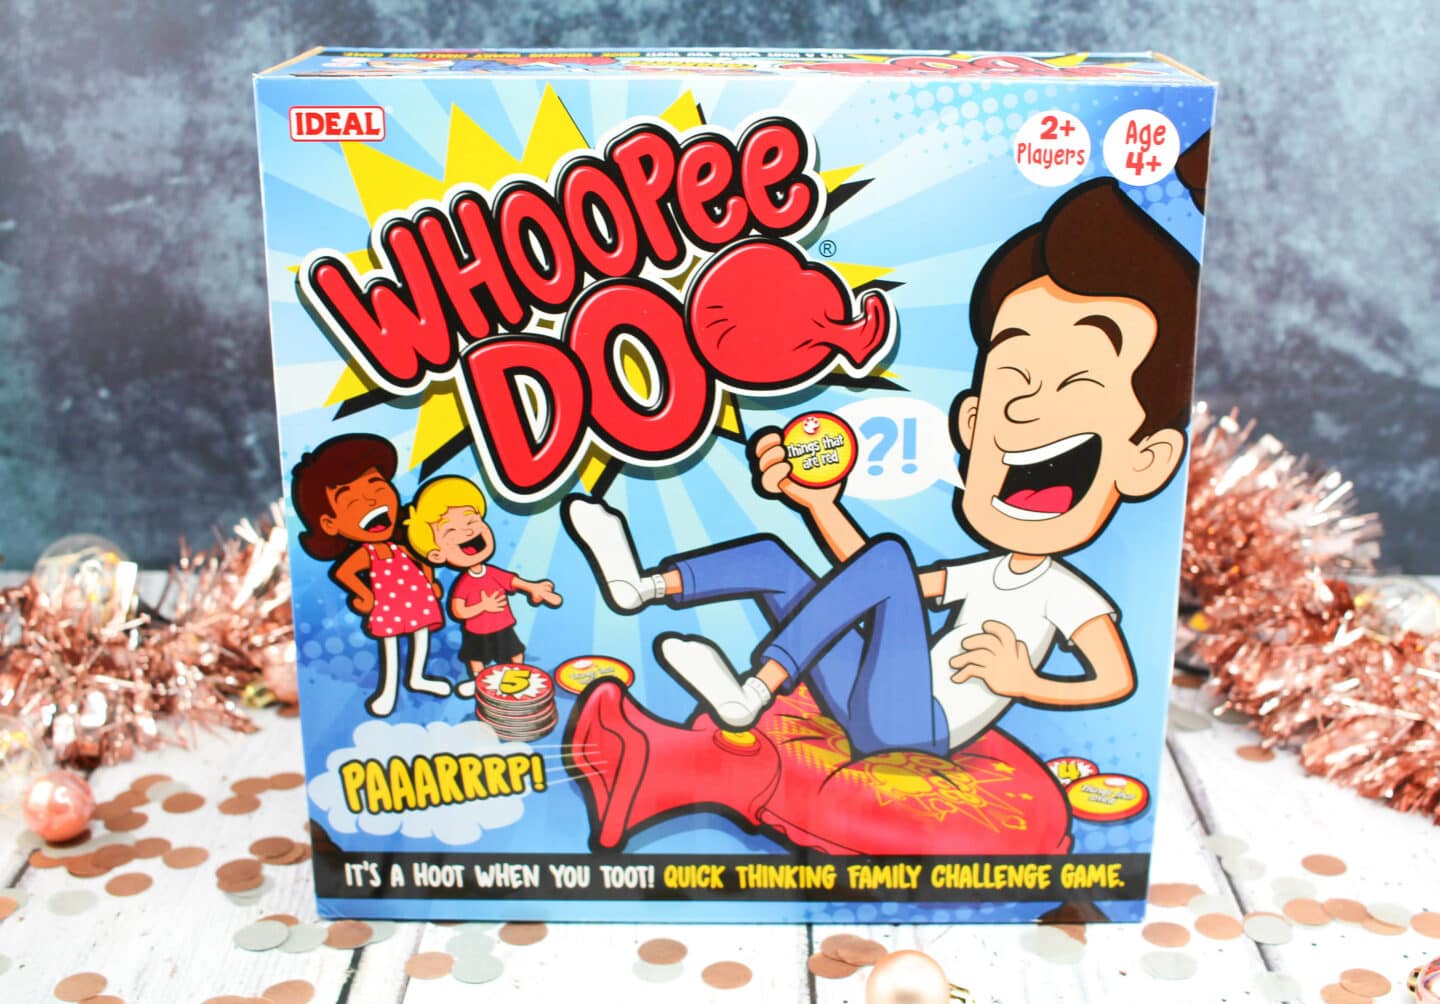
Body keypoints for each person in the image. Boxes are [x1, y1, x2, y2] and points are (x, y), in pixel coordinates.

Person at [567, 176, 1197, 757]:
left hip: (920, 726)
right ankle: (641, 587)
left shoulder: (1067, 591)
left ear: (1147, 460)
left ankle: (753, 691)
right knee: (774, 559)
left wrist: (1025, 680)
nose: (1027, 408)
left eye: (1077, 387)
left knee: (889, 556)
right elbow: (874, 580)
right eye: (1016, 379)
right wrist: (821, 507)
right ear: (972, 421)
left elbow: (1116, 679)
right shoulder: (988, 571)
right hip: (871, 699)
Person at [291, 434, 450, 717]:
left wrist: (430, 580)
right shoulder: (368, 553)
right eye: (350, 498)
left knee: (421, 634)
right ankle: (388, 690)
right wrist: (365, 595)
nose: (370, 500)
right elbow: (344, 572)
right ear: (329, 523)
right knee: (389, 644)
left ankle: (418, 677)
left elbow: (422, 559)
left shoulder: (402, 545)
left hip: (418, 599)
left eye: (377, 485)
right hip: (388, 605)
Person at [405, 476, 562, 695]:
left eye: (472, 521)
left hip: (503, 625)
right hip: (476, 631)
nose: (468, 532)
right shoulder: (464, 582)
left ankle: (519, 676)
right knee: (475, 657)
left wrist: (534, 588)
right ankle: (478, 681)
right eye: (451, 531)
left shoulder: (493, 573)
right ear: (437, 554)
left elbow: (513, 581)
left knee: (515, 652)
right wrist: (483, 606)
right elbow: (458, 610)